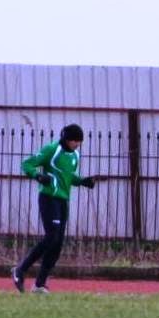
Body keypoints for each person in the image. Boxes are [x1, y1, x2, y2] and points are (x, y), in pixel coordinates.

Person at [11, 124, 95, 294]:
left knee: (57, 244)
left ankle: (39, 285)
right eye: (75, 141)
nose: (78, 144)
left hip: (63, 201)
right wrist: (38, 176)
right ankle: (20, 270)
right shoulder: (51, 149)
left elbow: (67, 176)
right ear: (67, 139)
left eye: (79, 141)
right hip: (49, 198)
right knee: (51, 237)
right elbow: (27, 164)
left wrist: (82, 181)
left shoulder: (75, 155)